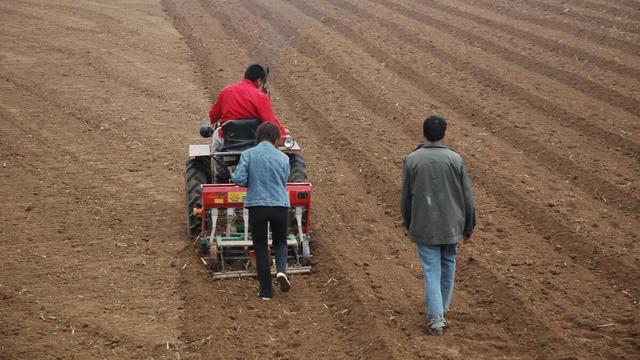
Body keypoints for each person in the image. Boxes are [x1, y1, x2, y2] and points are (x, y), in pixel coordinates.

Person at [400, 115, 476, 336]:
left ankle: (436, 319)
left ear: (424, 133)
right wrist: (469, 226)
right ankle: (441, 309)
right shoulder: (455, 159)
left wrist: (408, 222)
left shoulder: (412, 159)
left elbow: (406, 197)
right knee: (448, 264)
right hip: (452, 225)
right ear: (443, 134)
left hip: (424, 225)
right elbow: (467, 196)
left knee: (431, 270)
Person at [231, 122, 291, 300]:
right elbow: (284, 180)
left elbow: (240, 179)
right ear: (275, 138)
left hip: (258, 206)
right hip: (280, 205)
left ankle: (266, 291)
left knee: (261, 246)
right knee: (280, 242)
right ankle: (281, 271)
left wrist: (235, 176)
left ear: (258, 136)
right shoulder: (284, 158)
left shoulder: (248, 154)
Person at [208, 64, 288, 152]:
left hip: (228, 140)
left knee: (216, 139)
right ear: (259, 81)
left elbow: (213, 116)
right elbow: (270, 122)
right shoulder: (261, 96)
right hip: (254, 144)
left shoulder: (226, 91)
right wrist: (283, 133)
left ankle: (217, 164)